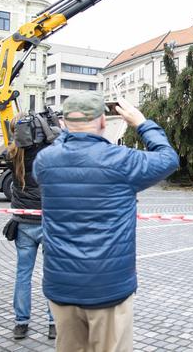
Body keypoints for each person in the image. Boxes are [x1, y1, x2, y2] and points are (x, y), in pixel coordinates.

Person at [33, 93, 179, 351]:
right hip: (108, 288)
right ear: (103, 121)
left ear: (63, 123)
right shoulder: (121, 161)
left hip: (62, 286)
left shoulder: (45, 162)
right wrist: (142, 123)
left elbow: (62, 149)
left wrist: (68, 133)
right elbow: (168, 159)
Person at [6, 113, 58, 341]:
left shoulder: (11, 154)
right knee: (52, 275)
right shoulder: (47, 154)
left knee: (22, 274)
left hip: (23, 224)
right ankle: (53, 323)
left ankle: (21, 323)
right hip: (48, 222)